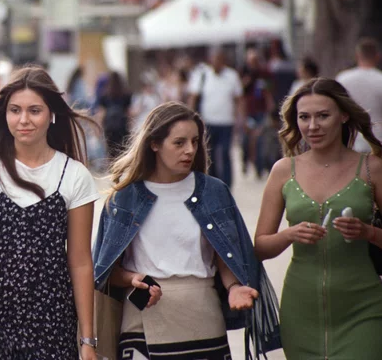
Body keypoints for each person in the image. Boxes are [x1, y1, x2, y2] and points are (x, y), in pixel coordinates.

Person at [93, 102, 280, 359]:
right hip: (143, 317)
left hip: (202, 317)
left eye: (194, 141)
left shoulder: (214, 192)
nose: (190, 150)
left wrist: (234, 286)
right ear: (154, 144)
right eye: (179, 143)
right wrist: (132, 279)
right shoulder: (124, 198)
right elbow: (102, 272)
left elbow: (222, 254)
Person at [0, 66, 100, 359]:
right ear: (4, 114)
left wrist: (88, 340)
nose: (23, 120)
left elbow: (79, 261)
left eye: (34, 110)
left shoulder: (74, 175)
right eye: (15, 110)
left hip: (51, 321)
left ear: (51, 114)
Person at [254, 77, 382, 358]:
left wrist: (367, 232)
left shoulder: (372, 167)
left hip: (364, 307)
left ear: (344, 115)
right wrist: (289, 234)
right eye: (304, 117)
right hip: (301, 310)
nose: (312, 126)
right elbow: (260, 247)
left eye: (323, 116)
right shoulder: (282, 171)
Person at [188, 47, 244, 188]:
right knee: (209, 154)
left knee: (225, 152)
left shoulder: (232, 76)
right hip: (208, 121)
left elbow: (239, 98)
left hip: (226, 122)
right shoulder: (203, 75)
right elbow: (194, 97)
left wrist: (240, 117)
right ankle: (212, 182)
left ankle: (227, 184)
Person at [336, 37, 382, 153]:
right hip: (378, 140)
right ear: (378, 56)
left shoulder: (342, 79)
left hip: (350, 141)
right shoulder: (381, 80)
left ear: (357, 56)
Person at [241, 48, 275, 178]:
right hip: (249, 112)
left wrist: (270, 110)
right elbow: (240, 93)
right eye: (250, 61)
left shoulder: (265, 74)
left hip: (261, 111)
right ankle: (245, 160)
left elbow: (269, 92)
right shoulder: (244, 73)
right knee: (246, 139)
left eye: (255, 61)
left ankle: (259, 168)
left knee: (260, 140)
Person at [98, 71, 132, 160]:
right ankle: (121, 170)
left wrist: (100, 128)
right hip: (122, 127)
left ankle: (113, 171)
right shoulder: (126, 95)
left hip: (109, 128)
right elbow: (128, 113)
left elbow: (101, 114)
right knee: (122, 151)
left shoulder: (105, 95)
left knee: (111, 152)